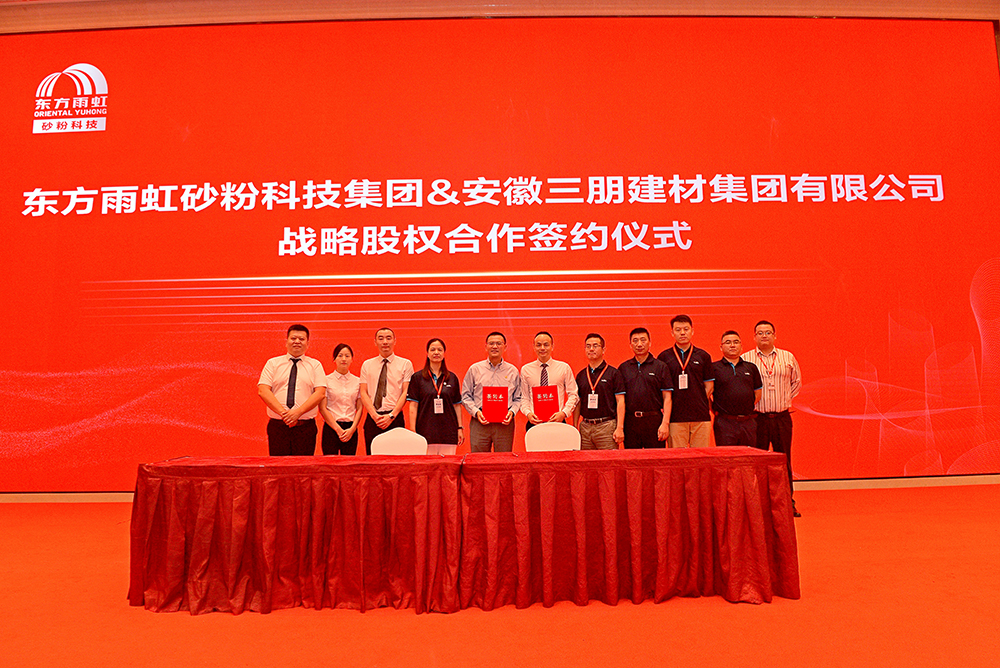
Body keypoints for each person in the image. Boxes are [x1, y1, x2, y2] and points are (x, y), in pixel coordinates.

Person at [742, 320, 802, 517]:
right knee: (757, 462)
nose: (764, 336)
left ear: (775, 336)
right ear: (754, 337)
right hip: (757, 418)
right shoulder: (746, 359)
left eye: (768, 332)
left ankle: (787, 502)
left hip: (781, 417)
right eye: (760, 333)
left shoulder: (787, 357)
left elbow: (796, 383)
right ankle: (758, 503)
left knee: (784, 460)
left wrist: (782, 400)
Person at [257, 324, 327, 456]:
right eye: (293, 338)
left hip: (305, 428)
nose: (297, 341)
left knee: (303, 467)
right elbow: (263, 390)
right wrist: (285, 414)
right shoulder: (273, 363)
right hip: (278, 427)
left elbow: (320, 393)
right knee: (278, 466)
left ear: (308, 343)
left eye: (301, 339)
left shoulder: (315, 365)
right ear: (286, 341)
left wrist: (297, 413)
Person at [657, 314, 714, 447]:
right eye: (678, 330)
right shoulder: (664, 357)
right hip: (675, 417)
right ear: (672, 333)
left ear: (692, 331)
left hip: (700, 416)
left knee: (701, 456)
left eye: (686, 329)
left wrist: (696, 400)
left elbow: (709, 386)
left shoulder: (703, 356)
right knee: (677, 457)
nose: (682, 333)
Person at [461, 331, 522, 452]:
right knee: (479, 460)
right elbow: (465, 396)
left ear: (505, 347)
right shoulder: (475, 369)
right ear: (486, 347)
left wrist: (512, 412)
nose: (495, 346)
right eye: (491, 343)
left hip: (504, 423)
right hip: (480, 421)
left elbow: (518, 398)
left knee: (503, 460)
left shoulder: (513, 371)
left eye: (498, 343)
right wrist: (476, 412)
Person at [359, 327, 414, 455]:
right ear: (375, 342)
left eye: (388, 338)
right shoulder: (367, 365)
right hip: (373, 418)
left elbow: (406, 391)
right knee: (372, 459)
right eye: (381, 338)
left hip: (395, 418)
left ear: (394, 341)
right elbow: (363, 392)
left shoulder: (405, 364)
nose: (385, 342)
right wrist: (374, 415)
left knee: (396, 460)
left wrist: (391, 416)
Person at [619, 327, 672, 449]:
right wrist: (620, 426)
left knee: (655, 459)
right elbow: (620, 400)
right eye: (635, 341)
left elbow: (667, 397)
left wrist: (665, 423)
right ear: (630, 344)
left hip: (654, 421)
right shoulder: (623, 368)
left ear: (650, 343)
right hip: (630, 422)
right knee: (632, 459)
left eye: (643, 340)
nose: (639, 344)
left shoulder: (660, 367)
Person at [407, 338, 465, 446]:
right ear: (427, 353)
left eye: (440, 350)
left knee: (448, 457)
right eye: (433, 349)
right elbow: (413, 406)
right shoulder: (417, 378)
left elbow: (457, 405)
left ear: (444, 354)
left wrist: (460, 428)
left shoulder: (452, 378)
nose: (436, 352)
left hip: (449, 431)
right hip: (425, 431)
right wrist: (412, 431)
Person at [709, 331, 762, 447]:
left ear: (741, 346)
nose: (732, 345)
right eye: (728, 342)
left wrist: (744, 406)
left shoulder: (751, 367)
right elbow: (706, 393)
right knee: (726, 456)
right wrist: (716, 409)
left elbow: (758, 393)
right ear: (721, 347)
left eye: (736, 342)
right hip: (724, 423)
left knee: (749, 456)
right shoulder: (713, 368)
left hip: (748, 422)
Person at [573, 333, 625, 450]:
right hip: (585, 428)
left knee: (609, 461)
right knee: (586, 460)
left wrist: (620, 428)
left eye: (595, 346)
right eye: (588, 346)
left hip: (606, 427)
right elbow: (577, 402)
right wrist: (575, 426)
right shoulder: (581, 375)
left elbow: (620, 401)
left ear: (603, 349)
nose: (591, 349)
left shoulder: (614, 373)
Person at [520, 331, 579, 432]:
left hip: (558, 422)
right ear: (534, 347)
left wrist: (564, 413)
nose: (542, 348)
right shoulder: (526, 369)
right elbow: (524, 397)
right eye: (538, 345)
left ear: (552, 346)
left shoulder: (564, 368)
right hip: (534, 423)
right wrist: (528, 413)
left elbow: (573, 394)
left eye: (546, 345)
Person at [318, 343, 364, 456]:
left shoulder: (358, 381)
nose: (344, 359)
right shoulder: (326, 380)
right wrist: (337, 429)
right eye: (340, 355)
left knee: (349, 463)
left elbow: (359, 407)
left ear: (352, 359)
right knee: (329, 463)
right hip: (331, 428)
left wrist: (353, 428)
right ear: (334, 359)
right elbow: (323, 408)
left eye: (347, 356)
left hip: (350, 429)